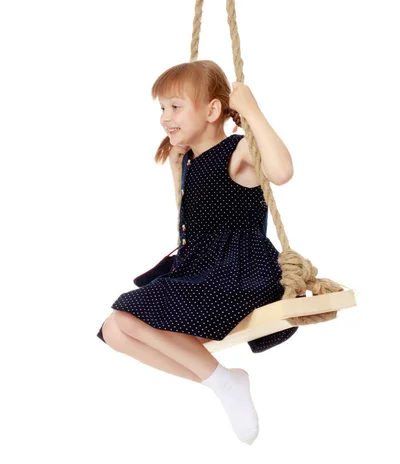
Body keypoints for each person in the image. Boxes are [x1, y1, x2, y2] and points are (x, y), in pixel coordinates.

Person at [96, 59, 297, 445]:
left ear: (212, 111)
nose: (165, 117)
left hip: (238, 273)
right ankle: (223, 381)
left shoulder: (237, 153)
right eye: (162, 108)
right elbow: (197, 220)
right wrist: (177, 171)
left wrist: (251, 110)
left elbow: (282, 171)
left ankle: (226, 383)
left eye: (175, 107)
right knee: (114, 330)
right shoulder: (190, 159)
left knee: (129, 315)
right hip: (202, 268)